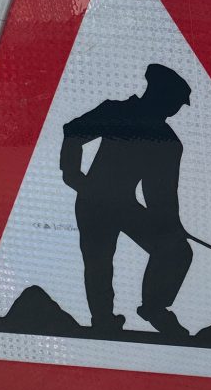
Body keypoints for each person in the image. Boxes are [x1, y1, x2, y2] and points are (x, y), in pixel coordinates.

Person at [59, 63, 193, 337]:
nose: (176, 110)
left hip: (123, 205)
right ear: (159, 96)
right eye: (175, 103)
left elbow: (161, 195)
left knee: (178, 250)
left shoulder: (168, 142)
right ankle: (103, 320)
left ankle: (154, 307)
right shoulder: (116, 113)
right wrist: (73, 177)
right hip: (93, 202)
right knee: (99, 262)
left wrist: (172, 227)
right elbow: (73, 132)